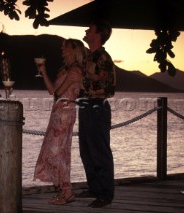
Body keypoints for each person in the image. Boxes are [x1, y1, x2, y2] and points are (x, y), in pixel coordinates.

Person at [33, 39, 86, 205]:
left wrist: (57, 93)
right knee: (58, 152)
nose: (62, 50)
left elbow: (58, 93)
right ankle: (65, 191)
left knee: (58, 153)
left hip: (65, 112)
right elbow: (52, 91)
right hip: (57, 112)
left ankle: (67, 191)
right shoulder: (65, 69)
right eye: (62, 47)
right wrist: (44, 72)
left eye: (66, 48)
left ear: (74, 50)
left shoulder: (76, 70)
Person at [77, 20, 116, 208]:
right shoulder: (87, 57)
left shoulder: (103, 58)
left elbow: (109, 86)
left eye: (90, 29)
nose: (86, 30)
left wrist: (90, 77)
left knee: (100, 151)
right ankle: (94, 187)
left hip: (98, 107)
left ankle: (106, 194)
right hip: (85, 105)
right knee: (86, 150)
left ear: (98, 35)